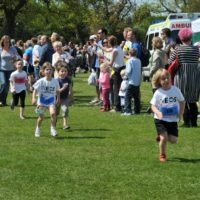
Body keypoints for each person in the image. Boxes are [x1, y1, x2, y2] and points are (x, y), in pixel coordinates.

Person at [150, 69, 185, 162]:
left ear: (171, 78)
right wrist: (158, 112)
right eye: (163, 79)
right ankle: (162, 154)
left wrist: (181, 113)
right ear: (159, 82)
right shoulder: (158, 92)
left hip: (173, 119)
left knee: (174, 140)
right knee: (164, 138)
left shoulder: (176, 90)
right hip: (160, 119)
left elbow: (182, 101)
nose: (166, 80)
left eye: (167, 77)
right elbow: (153, 106)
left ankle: (161, 136)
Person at [168, 28, 200, 127]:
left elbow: (169, 62)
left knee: (183, 100)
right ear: (190, 37)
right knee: (193, 101)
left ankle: (186, 122)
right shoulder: (196, 49)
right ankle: (194, 123)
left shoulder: (177, 49)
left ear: (181, 38)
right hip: (194, 77)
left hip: (181, 76)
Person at [32, 62, 60, 137]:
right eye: (47, 69)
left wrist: (58, 99)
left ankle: (53, 129)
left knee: (53, 113)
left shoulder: (55, 81)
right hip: (42, 101)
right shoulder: (41, 81)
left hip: (51, 101)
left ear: (53, 71)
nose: (49, 71)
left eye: (50, 69)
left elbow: (57, 91)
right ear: (43, 71)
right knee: (41, 117)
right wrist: (34, 98)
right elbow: (34, 90)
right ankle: (38, 129)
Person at [0, 35, 21, 106]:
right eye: (5, 41)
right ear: (2, 41)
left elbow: (19, 56)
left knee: (7, 86)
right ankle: (1, 100)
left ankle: (3, 101)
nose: (6, 42)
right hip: (2, 70)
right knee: (4, 83)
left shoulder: (13, 49)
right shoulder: (0, 49)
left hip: (11, 70)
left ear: (9, 41)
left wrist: (16, 57)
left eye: (8, 41)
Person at [123, 48, 142, 115]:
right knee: (136, 97)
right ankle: (137, 110)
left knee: (127, 96)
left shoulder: (129, 61)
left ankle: (128, 111)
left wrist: (125, 76)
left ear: (129, 53)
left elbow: (128, 71)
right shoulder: (138, 60)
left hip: (131, 81)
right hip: (137, 81)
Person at [56, 62, 72, 129]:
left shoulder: (68, 79)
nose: (64, 72)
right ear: (58, 72)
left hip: (65, 98)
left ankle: (65, 124)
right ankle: (54, 124)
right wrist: (63, 88)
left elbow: (70, 88)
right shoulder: (56, 80)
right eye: (62, 71)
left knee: (65, 110)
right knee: (55, 112)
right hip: (57, 98)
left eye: (65, 71)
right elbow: (57, 91)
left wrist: (71, 95)